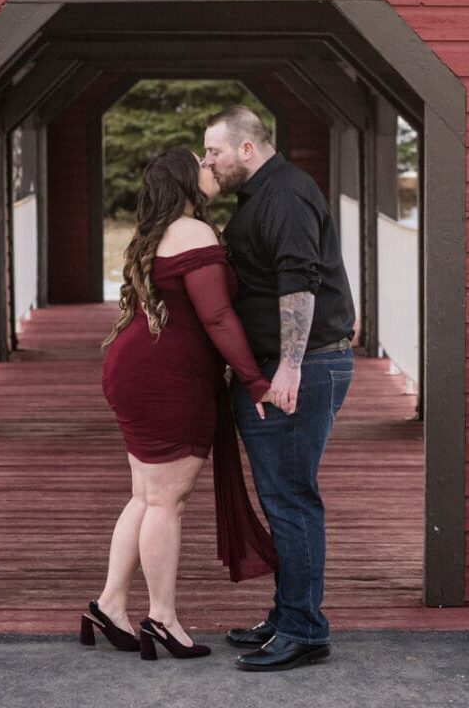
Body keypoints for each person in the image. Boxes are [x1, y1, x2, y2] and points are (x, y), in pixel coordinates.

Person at [84, 147, 278, 662]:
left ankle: (109, 603)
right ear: (188, 182)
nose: (214, 170)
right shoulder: (194, 231)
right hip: (168, 377)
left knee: (147, 497)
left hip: (135, 368)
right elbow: (216, 318)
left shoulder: (157, 231)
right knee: (167, 501)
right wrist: (256, 380)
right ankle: (163, 619)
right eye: (206, 166)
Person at [202, 105, 357, 672]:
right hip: (282, 366)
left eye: (214, 150)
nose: (208, 160)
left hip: (303, 367)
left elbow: (299, 279)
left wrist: (287, 368)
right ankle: (290, 613)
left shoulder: (287, 194)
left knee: (292, 498)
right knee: (282, 496)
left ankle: (305, 630)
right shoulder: (259, 195)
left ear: (246, 148)